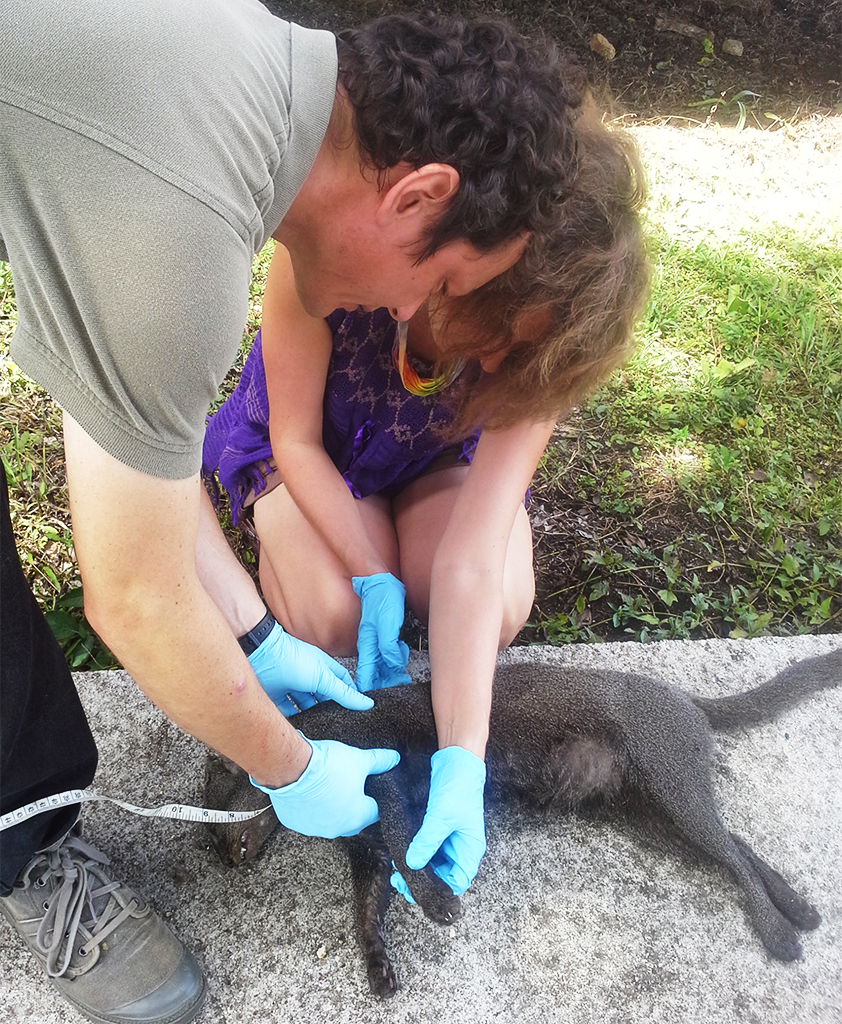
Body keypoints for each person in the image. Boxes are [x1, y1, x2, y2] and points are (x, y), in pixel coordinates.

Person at [0, 3, 586, 1021]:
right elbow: (133, 598)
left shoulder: (238, 72)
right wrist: (293, 765)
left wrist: (258, 634)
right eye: (442, 278)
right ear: (417, 195)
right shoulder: (181, 243)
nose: (414, 317)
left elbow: (130, 451)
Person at [201, 92, 649, 904]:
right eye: (503, 326)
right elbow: (297, 442)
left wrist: (462, 759)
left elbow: (477, 556)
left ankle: (426, 723)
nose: (505, 358)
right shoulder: (345, 262)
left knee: (494, 599)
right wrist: (374, 570)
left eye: (528, 349)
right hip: (313, 451)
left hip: (429, 459)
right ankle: (344, 613)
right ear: (476, 262)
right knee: (335, 614)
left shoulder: (546, 346)